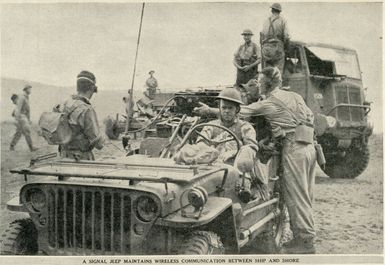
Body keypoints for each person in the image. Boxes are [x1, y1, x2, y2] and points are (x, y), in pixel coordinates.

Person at [195, 67, 316, 254]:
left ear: (268, 84)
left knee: (296, 194)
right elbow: (310, 116)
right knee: (306, 193)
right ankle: (305, 237)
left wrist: (208, 110)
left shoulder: (269, 102)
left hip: (293, 148)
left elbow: (240, 112)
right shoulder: (295, 96)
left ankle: (306, 242)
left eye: (259, 82)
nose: (257, 85)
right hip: (309, 145)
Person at [56, 71, 104, 160]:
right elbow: (99, 144)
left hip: (62, 157)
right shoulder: (87, 109)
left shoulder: (64, 104)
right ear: (92, 88)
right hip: (80, 159)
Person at [260, 3, 290, 74]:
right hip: (277, 48)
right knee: (278, 73)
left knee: (266, 73)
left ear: (272, 10)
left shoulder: (265, 21)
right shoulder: (283, 20)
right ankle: (277, 84)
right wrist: (285, 48)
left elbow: (261, 35)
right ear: (279, 11)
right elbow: (286, 36)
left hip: (266, 49)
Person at [10, 85, 38, 152]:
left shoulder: (26, 97)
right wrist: (18, 118)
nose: (30, 90)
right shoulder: (22, 97)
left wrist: (28, 120)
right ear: (26, 89)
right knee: (27, 132)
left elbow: (27, 110)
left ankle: (12, 146)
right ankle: (31, 148)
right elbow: (18, 108)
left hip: (23, 117)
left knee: (19, 133)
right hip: (21, 117)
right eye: (29, 89)